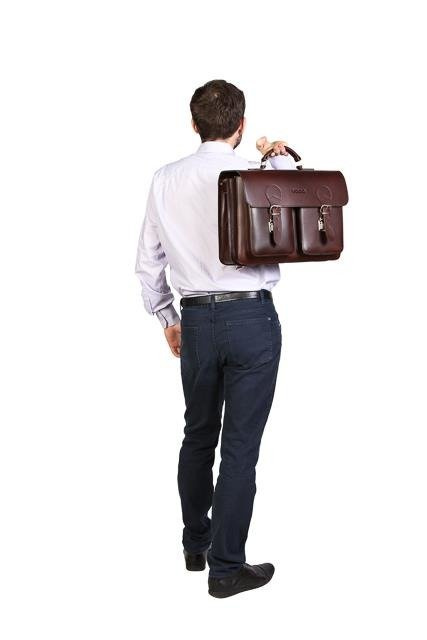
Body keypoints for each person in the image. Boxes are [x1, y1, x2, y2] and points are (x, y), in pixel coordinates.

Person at [134, 79, 297, 598]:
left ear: (194, 123)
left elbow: (148, 263)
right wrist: (277, 154)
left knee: (198, 435)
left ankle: (195, 545)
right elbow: (297, 208)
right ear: (241, 125)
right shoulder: (257, 172)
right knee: (239, 449)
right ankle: (226, 569)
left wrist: (167, 319)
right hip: (251, 319)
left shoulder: (164, 179)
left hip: (197, 320)